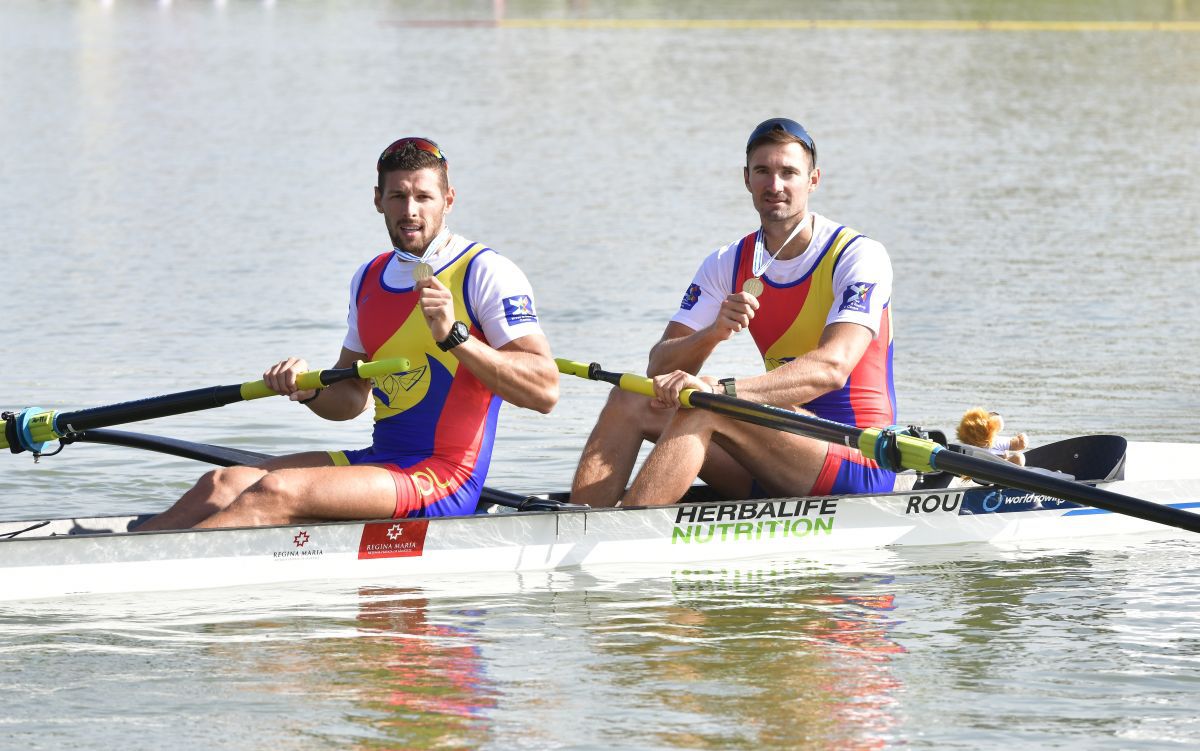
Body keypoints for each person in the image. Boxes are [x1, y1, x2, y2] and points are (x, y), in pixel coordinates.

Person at [140, 136, 558, 530]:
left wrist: (455, 336)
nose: (410, 210)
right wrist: (309, 391)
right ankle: (116, 562)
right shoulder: (369, 277)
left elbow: (544, 390)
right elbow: (352, 399)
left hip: (443, 478)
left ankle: (145, 580)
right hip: (381, 461)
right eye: (397, 196)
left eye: (424, 197)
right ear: (378, 201)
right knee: (222, 483)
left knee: (274, 489)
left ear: (448, 200)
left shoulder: (485, 272)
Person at [571, 118, 896, 507]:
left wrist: (719, 391)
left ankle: (618, 539)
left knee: (706, 405)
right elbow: (659, 367)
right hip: (772, 453)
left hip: (857, 459)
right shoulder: (728, 261)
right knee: (629, 398)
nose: (774, 185)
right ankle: (577, 522)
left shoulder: (858, 255)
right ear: (746, 178)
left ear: (813, 180)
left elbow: (831, 369)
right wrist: (711, 333)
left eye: (788, 172)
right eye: (763, 171)